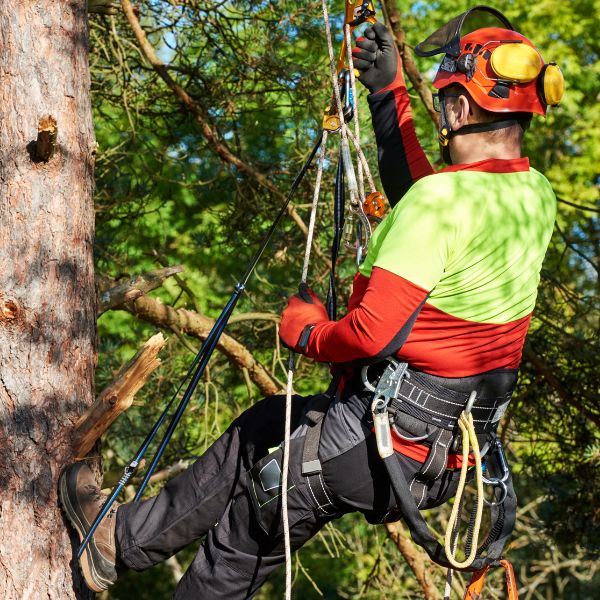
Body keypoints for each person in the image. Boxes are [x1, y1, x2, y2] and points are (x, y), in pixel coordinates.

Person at [59, 6, 562, 598]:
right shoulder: (532, 194)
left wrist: (305, 330)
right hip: (438, 451)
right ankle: (118, 542)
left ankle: (123, 545)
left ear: (458, 108)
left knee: (240, 542)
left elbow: (371, 333)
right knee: (263, 425)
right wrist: (388, 96)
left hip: (379, 439)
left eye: (444, 99)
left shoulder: (442, 202)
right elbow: (432, 198)